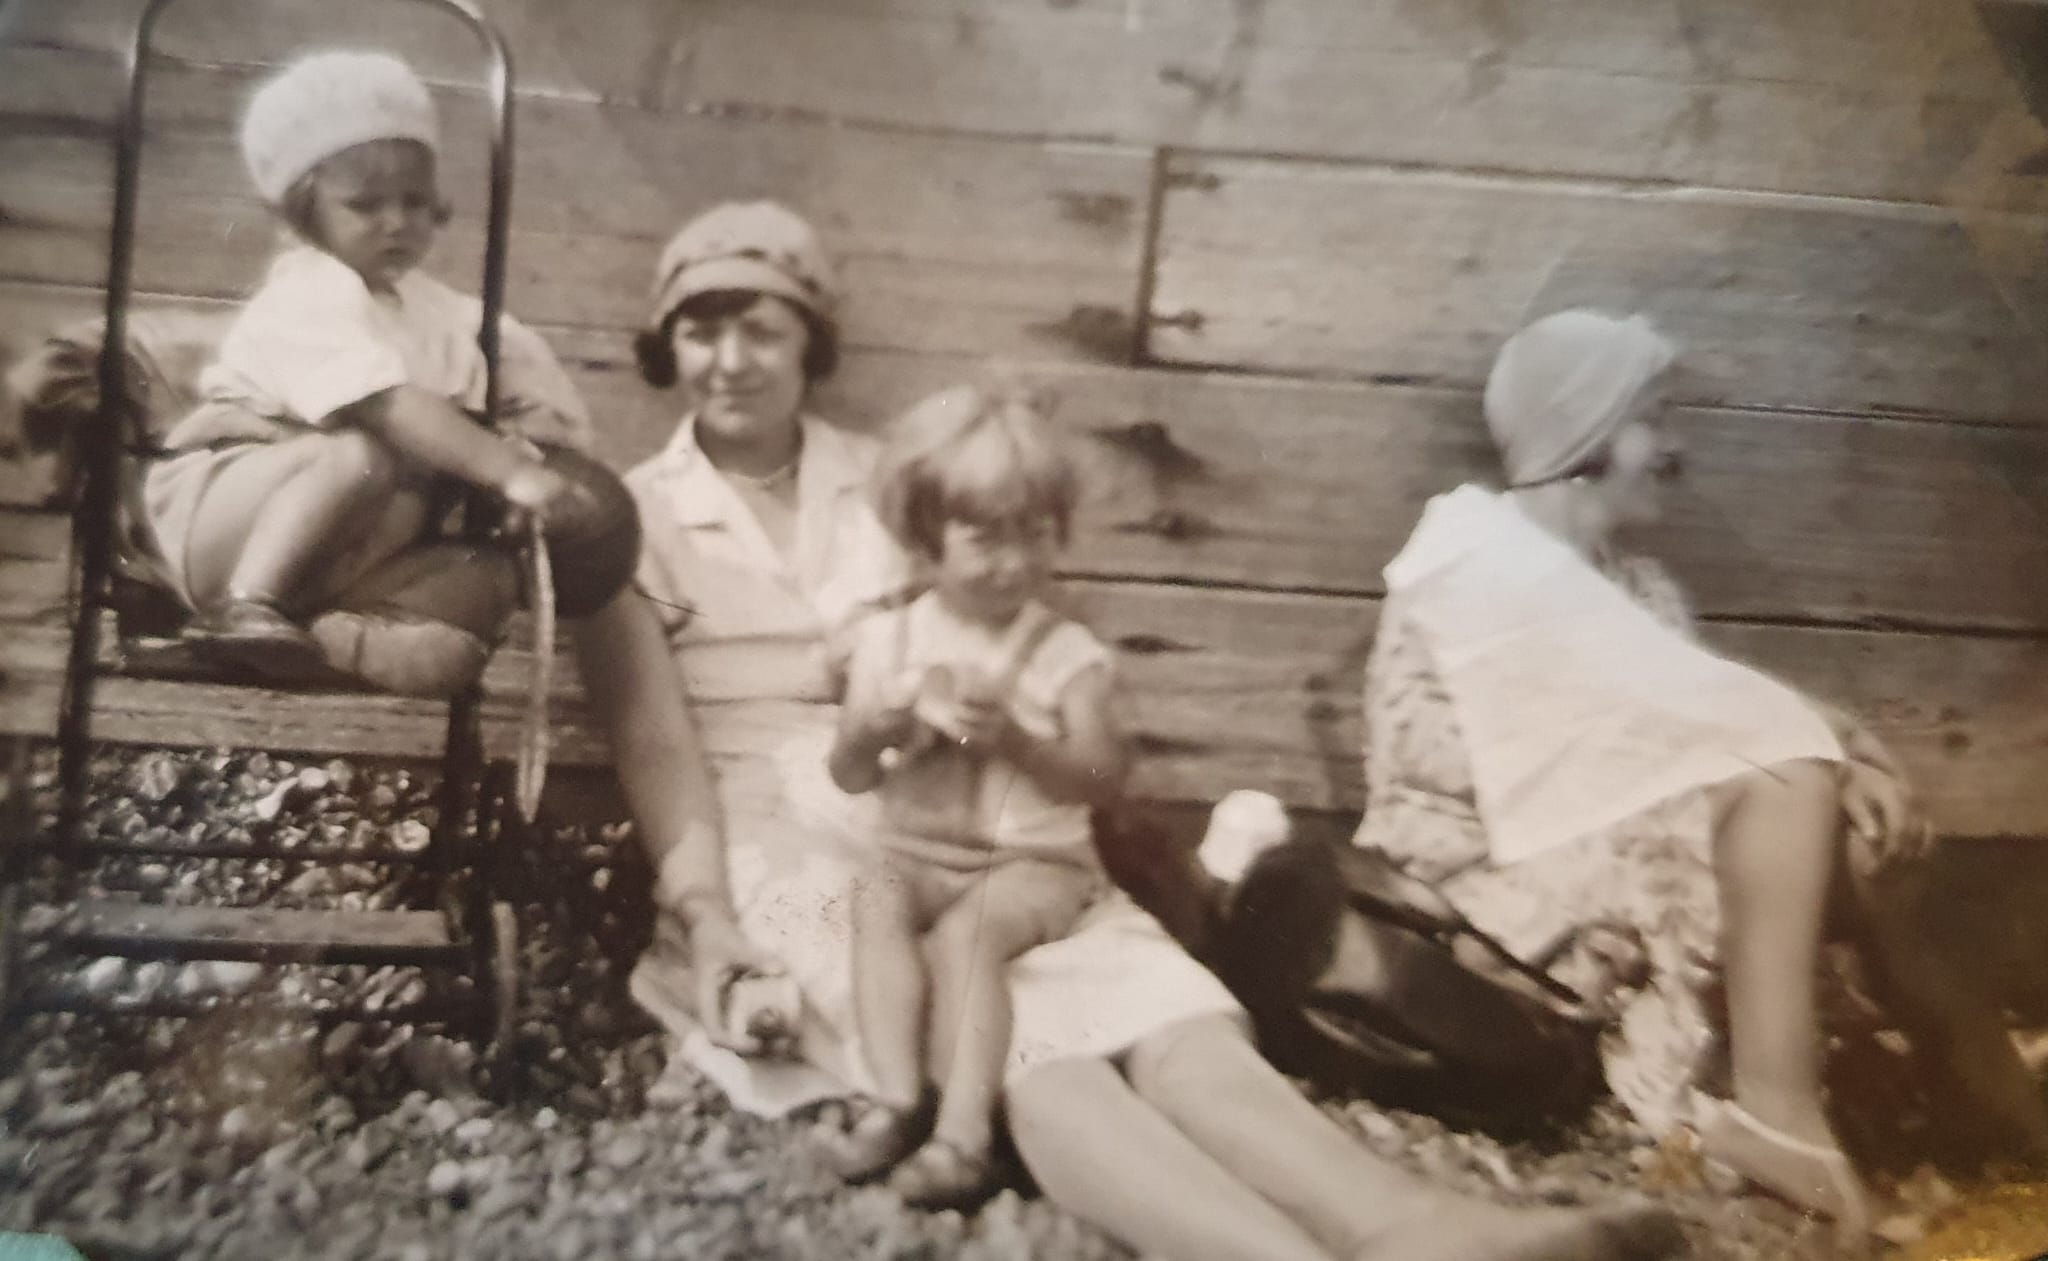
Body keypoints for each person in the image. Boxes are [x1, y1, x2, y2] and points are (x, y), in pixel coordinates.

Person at [580, 202, 1684, 1261]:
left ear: (808, 342)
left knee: (1151, 999)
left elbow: (1022, 643)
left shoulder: (903, 476)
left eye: (759, 328)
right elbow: (657, 747)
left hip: (968, 795)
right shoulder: (637, 519)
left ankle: (1413, 1225)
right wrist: (707, 917)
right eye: (701, 330)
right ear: (666, 345)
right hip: (780, 833)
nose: (730, 360)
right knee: (1022, 1042)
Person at [1354, 308, 2048, 1241]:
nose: (1675, 446)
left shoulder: (1638, 587)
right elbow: (1672, 720)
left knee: (1853, 834)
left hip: (1607, 830)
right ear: (1586, 434)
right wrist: (1834, 755)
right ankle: (1778, 1114)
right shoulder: (1478, 555)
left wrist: (1853, 768)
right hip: (1489, 862)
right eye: (1654, 418)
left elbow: (1698, 714)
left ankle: (1985, 1107)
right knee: (1786, 781)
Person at [142, 51, 594, 680]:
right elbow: (389, 405)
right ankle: (242, 607)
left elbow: (462, 422)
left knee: (480, 571)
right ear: (307, 211)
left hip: (338, 548)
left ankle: (319, 642)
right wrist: (510, 473)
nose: (397, 223)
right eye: (365, 204)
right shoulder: (310, 290)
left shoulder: (434, 314)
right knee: (361, 454)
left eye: (415, 202)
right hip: (227, 524)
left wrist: (515, 466)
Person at [822, 383, 1122, 1206]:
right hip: (915, 849)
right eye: (985, 538)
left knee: (969, 934)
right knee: (874, 898)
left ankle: (963, 1138)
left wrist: (1019, 741)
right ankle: (894, 1095)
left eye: (1035, 534)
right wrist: (877, 728)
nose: (1013, 562)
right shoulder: (889, 640)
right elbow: (848, 773)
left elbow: (1104, 778)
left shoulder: (1064, 651)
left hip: (1032, 863)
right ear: (927, 536)